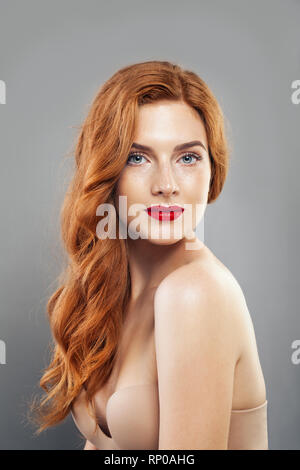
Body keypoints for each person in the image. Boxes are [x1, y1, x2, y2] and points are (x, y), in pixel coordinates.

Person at [29, 60, 268, 450]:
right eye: (137, 157)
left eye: (187, 157)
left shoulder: (195, 294)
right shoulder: (112, 286)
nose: (166, 185)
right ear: (106, 170)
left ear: (213, 169)